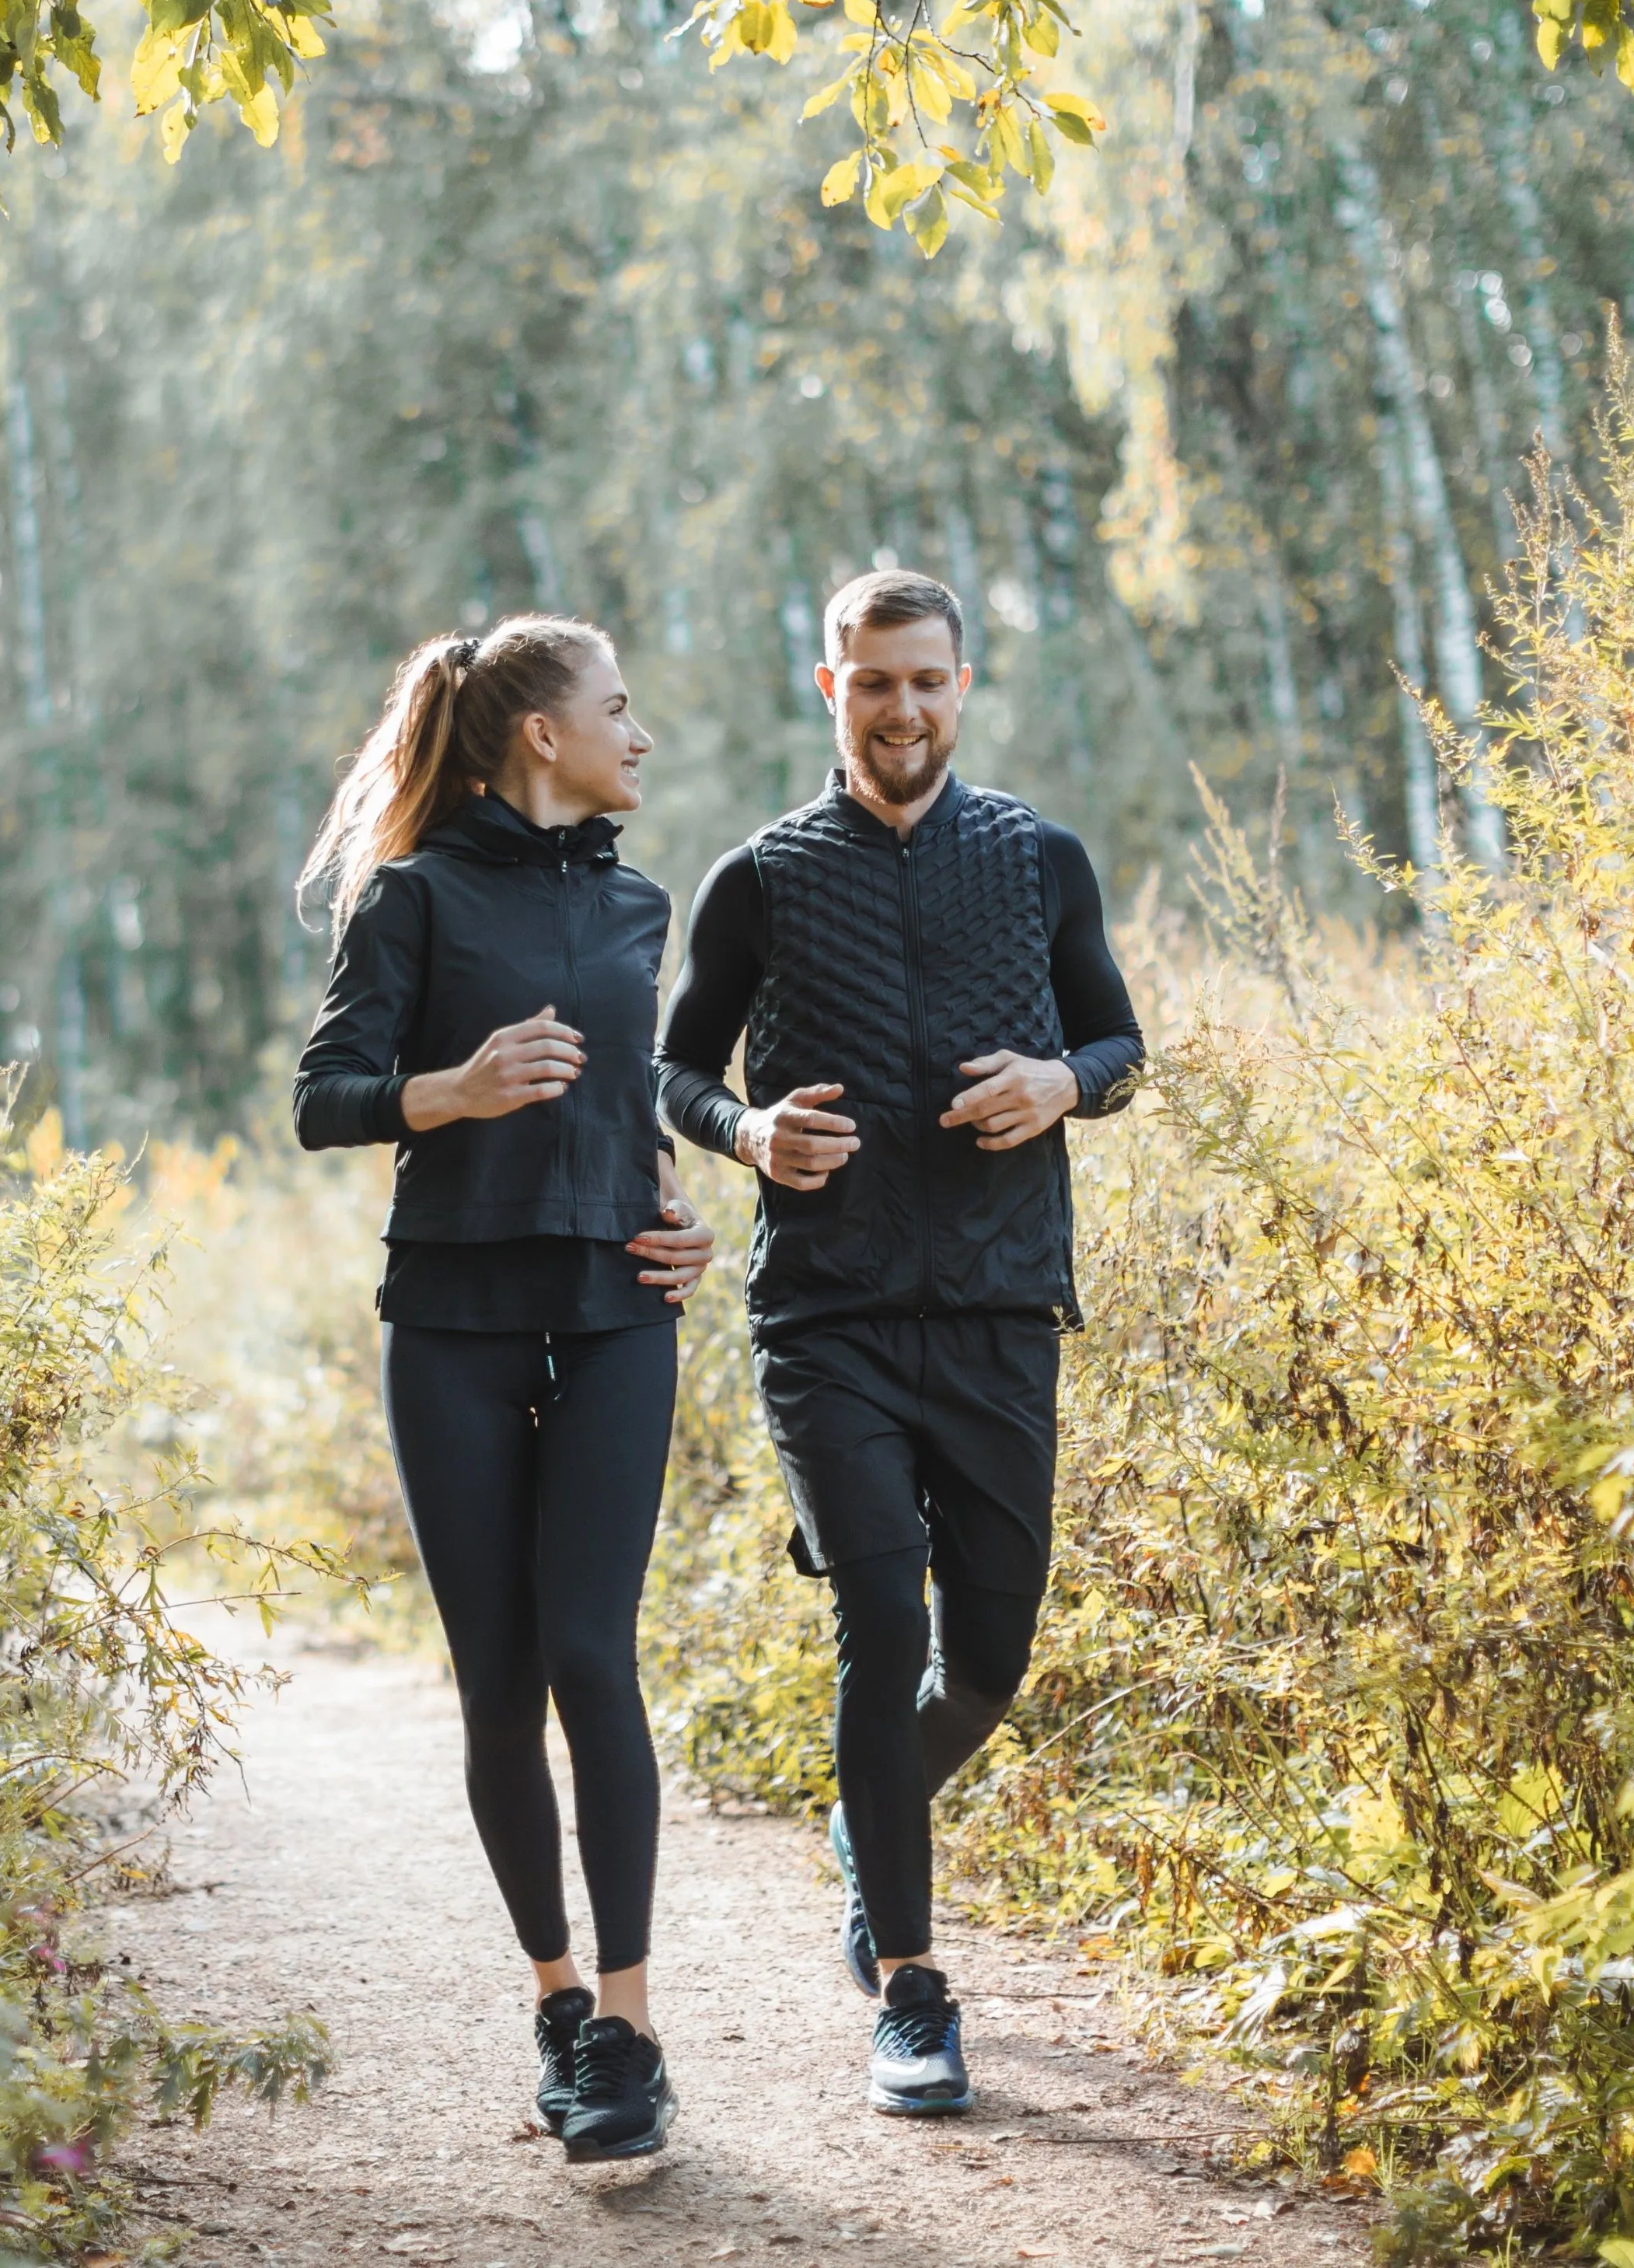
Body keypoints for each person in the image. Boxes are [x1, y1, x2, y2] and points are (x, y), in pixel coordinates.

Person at [655, 569, 1143, 2116]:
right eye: (873, 683)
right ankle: (915, 1995)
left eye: (926, 680)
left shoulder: (1037, 856)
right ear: (828, 688)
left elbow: (1117, 1039)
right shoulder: (762, 877)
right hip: (829, 1313)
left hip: (1002, 1304)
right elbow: (674, 1070)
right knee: (879, 1614)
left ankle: (872, 1828)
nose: (903, 709)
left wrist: (1065, 1082)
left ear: (963, 680)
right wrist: (744, 1131)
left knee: (985, 1657)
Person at [293, 616, 711, 2163]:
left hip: (615, 1312)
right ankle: (552, 1996)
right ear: (541, 732)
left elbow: (628, 1107)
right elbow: (322, 1096)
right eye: (619, 707)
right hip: (455, 1318)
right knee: (499, 1678)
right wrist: (450, 1089)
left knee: (593, 1656)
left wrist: (679, 1208)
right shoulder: (409, 899)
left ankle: (629, 2028)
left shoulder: (638, 902)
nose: (639, 733)